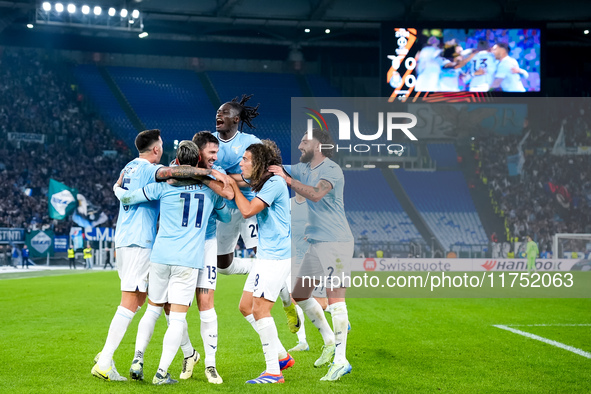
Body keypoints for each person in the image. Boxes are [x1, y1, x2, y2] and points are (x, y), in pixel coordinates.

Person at [92, 129, 229, 382]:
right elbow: (172, 173)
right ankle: (106, 359)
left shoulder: (131, 168)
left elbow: (132, 194)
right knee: (135, 303)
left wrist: (117, 190)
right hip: (145, 244)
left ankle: (188, 354)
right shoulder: (156, 175)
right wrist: (208, 174)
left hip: (134, 242)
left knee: (154, 305)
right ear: (156, 150)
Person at [270, 128, 354, 382]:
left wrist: (288, 181)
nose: (299, 146)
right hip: (317, 243)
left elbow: (316, 195)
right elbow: (275, 167)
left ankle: (341, 361)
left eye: (304, 142)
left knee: (336, 300)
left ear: (318, 146)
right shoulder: (304, 168)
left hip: (336, 242)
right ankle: (329, 340)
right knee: (300, 294)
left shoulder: (331, 170)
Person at [226, 140, 292, 384]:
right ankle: (282, 356)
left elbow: (247, 210)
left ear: (259, 164)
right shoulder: (262, 180)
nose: (241, 163)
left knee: (261, 309)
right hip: (265, 255)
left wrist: (231, 183)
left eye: (245, 160)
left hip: (276, 258)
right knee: (246, 306)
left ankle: (273, 372)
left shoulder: (274, 183)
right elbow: (238, 178)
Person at [212, 94, 261, 275]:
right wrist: (239, 179)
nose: (219, 115)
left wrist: (225, 178)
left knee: (264, 255)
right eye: (218, 112)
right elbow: (203, 174)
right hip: (223, 209)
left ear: (235, 119)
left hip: (249, 205)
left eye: (224, 112)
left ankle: (291, 299)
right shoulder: (208, 141)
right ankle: (252, 267)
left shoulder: (251, 142)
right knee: (222, 266)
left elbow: (259, 177)